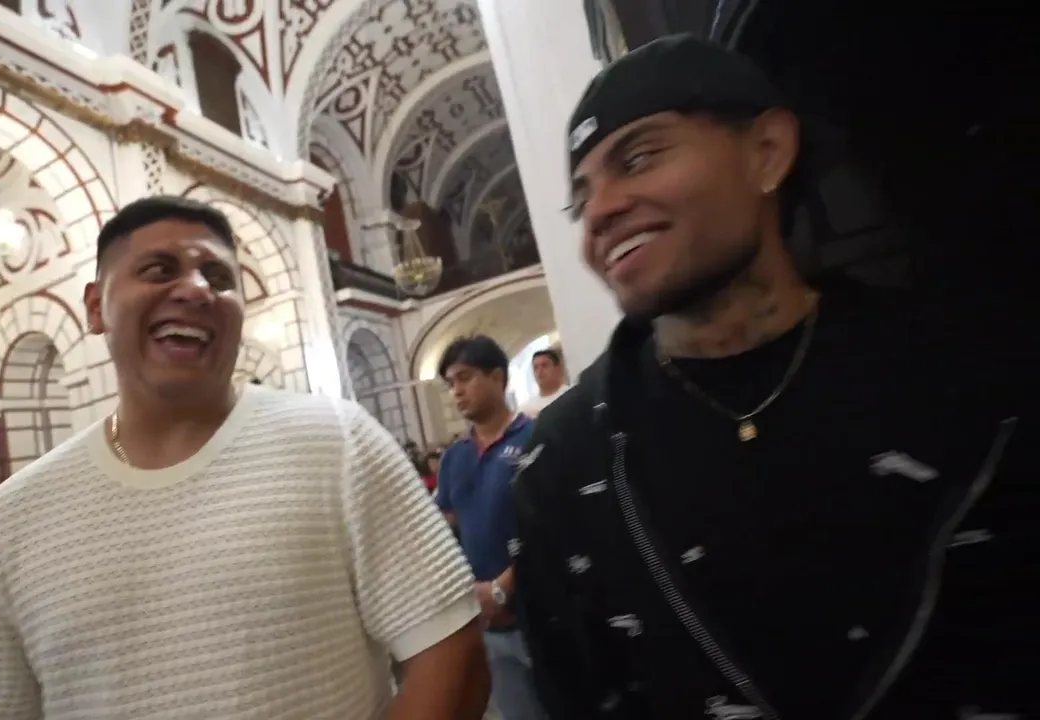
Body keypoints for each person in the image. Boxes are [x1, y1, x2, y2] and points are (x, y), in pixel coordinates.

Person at [510, 34, 1034, 720]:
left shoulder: (967, 377)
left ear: (767, 151)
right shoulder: (564, 465)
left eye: (638, 158)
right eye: (581, 202)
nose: (601, 212)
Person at [0, 196, 489, 720]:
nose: (197, 289)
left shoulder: (338, 442)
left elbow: (453, 656)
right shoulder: (11, 520)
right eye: (159, 270)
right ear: (95, 306)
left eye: (220, 278)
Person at [434, 336, 546, 720]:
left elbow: (553, 529)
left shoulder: (536, 438)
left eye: (464, 378)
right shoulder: (455, 458)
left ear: (497, 377)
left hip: (541, 615)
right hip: (487, 622)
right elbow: (444, 533)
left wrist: (502, 588)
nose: (456, 391)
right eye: (450, 383)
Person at [520, 348, 569, 418]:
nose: (539, 371)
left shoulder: (571, 395)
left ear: (557, 368)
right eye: (536, 367)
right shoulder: (526, 409)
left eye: (544, 365)